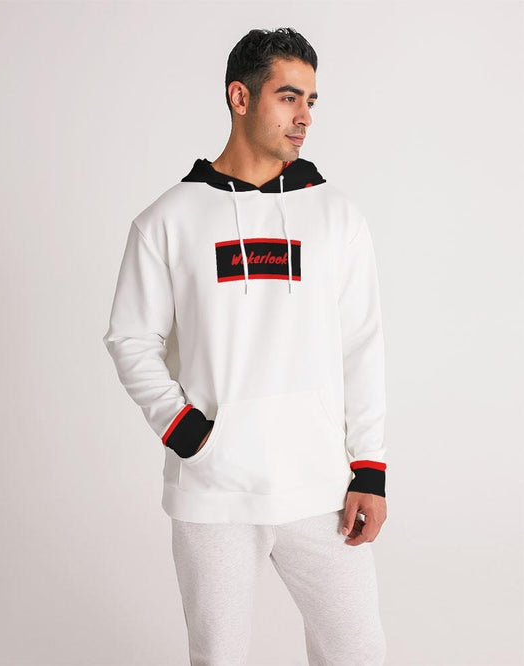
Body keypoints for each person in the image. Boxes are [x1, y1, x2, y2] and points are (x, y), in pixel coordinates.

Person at [103, 26, 388, 666]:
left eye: (311, 100)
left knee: (359, 652)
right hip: (214, 492)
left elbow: (362, 344)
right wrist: (185, 430)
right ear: (240, 96)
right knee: (219, 657)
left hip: (320, 488)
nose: (304, 117)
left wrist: (369, 467)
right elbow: (130, 337)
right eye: (289, 97)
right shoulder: (167, 219)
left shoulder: (337, 215)